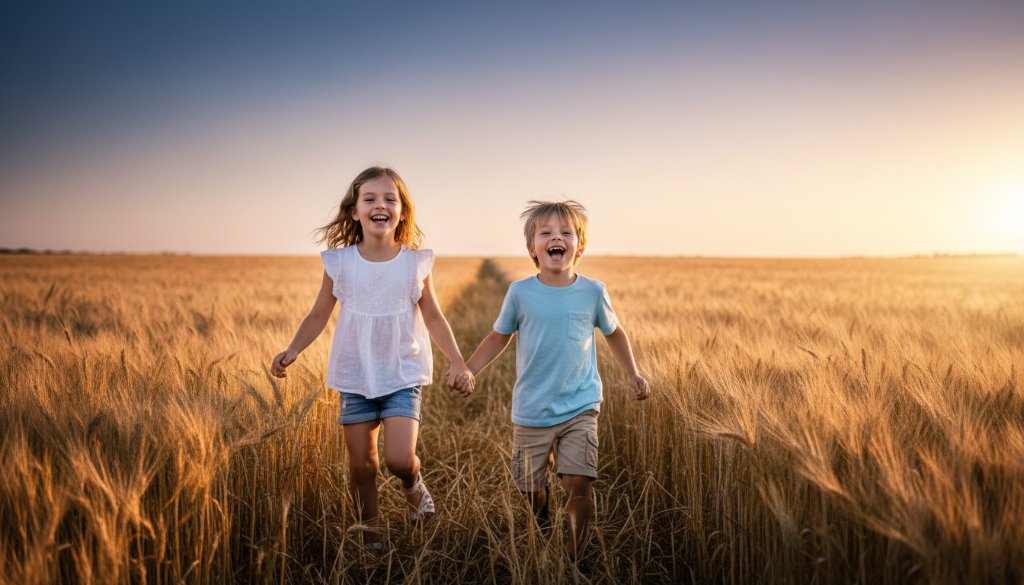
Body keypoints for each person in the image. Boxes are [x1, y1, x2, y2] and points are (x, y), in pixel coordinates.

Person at [271, 166, 474, 548]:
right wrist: (293, 350)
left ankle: (413, 485)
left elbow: (433, 314)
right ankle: (371, 536)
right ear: (354, 211)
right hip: (355, 374)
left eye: (389, 199)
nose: (380, 205)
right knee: (362, 466)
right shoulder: (341, 262)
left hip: (402, 372)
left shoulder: (415, 262)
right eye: (370, 199)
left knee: (399, 459)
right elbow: (318, 314)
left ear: (401, 212)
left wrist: (457, 361)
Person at [454, 199, 649, 564]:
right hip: (532, 408)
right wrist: (468, 369)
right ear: (532, 248)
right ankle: (540, 517)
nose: (555, 238)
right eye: (545, 233)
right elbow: (499, 337)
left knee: (578, 482)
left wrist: (632, 373)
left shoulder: (593, 291)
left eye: (566, 233)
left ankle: (576, 556)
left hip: (580, 405)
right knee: (528, 490)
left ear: (580, 246)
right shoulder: (520, 293)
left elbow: (615, 333)